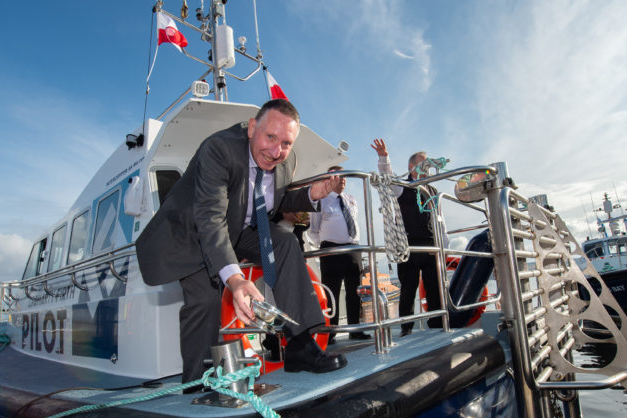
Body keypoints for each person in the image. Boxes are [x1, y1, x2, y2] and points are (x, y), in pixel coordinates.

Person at [136, 99, 347, 384]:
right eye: (270, 137)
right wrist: (234, 279)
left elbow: (276, 198)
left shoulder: (287, 160)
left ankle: (300, 345)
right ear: (251, 128)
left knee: (284, 242)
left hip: (238, 229)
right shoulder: (218, 149)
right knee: (204, 298)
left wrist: (312, 194)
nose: (276, 151)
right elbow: (210, 217)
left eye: (285, 143)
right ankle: (198, 381)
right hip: (193, 234)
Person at [371, 138, 443, 335]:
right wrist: (384, 157)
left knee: (434, 288)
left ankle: (437, 325)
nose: (427, 167)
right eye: (423, 163)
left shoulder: (433, 191)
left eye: (428, 163)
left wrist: (442, 246)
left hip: (430, 246)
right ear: (411, 166)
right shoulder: (402, 185)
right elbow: (387, 177)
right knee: (408, 289)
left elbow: (439, 221)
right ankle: (406, 327)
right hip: (408, 245)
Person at [308, 165, 370, 342]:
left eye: (344, 176)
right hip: (331, 251)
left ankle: (355, 330)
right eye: (338, 176)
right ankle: (331, 333)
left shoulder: (351, 200)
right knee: (331, 293)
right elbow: (313, 230)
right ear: (329, 179)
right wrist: (326, 246)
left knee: (354, 291)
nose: (342, 179)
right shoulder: (322, 200)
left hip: (352, 250)